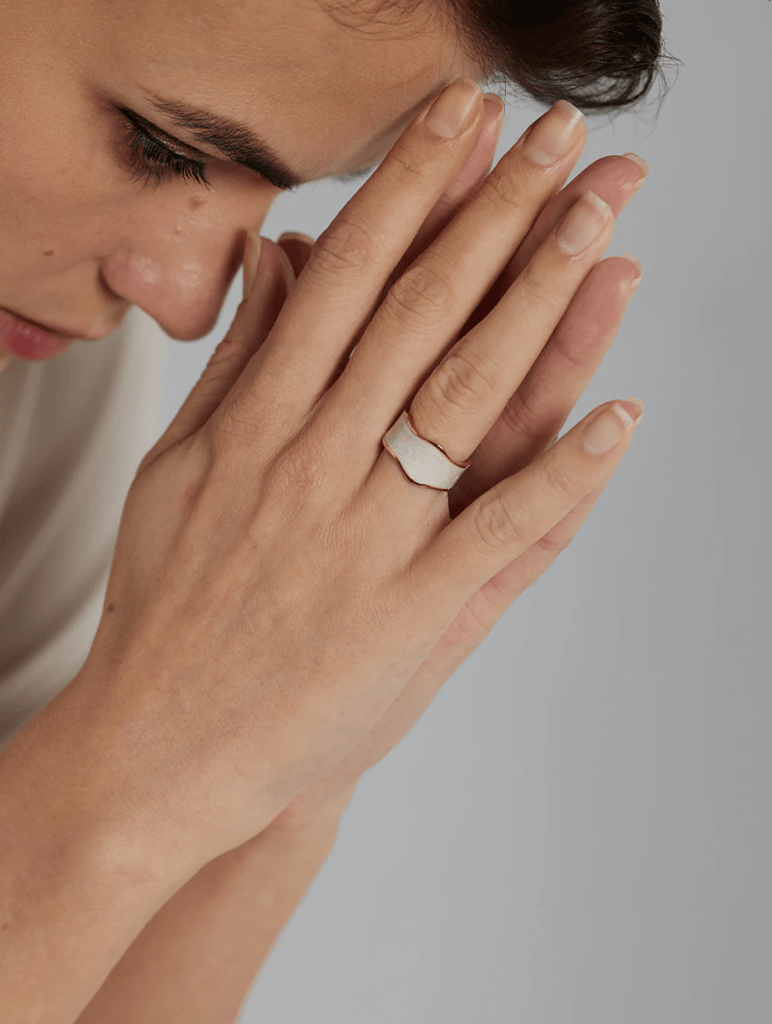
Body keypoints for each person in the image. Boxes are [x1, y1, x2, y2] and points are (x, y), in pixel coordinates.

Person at [0, 0, 676, 1020]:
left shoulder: (43, 366)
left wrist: (282, 760)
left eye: (280, 191)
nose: (189, 301)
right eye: (156, 146)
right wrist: (130, 769)